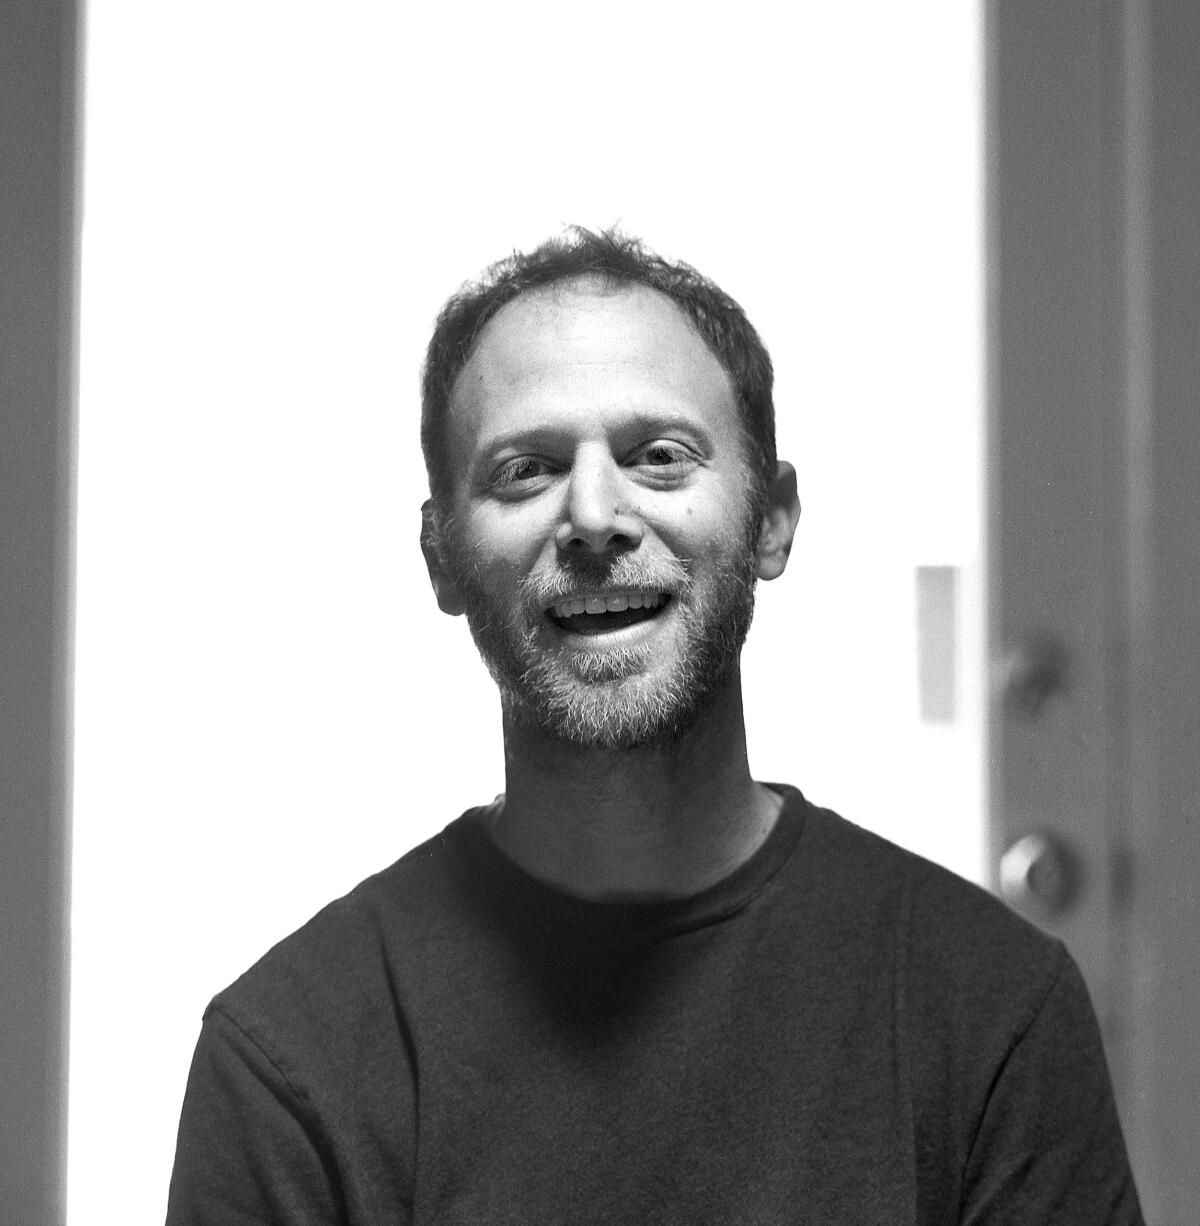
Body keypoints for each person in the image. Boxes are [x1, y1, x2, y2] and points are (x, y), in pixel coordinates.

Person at [166, 229, 1143, 1224]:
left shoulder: (991, 1013)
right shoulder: (293, 1058)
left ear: (771, 518)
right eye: (525, 470)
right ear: (443, 557)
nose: (595, 513)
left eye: (659, 457)